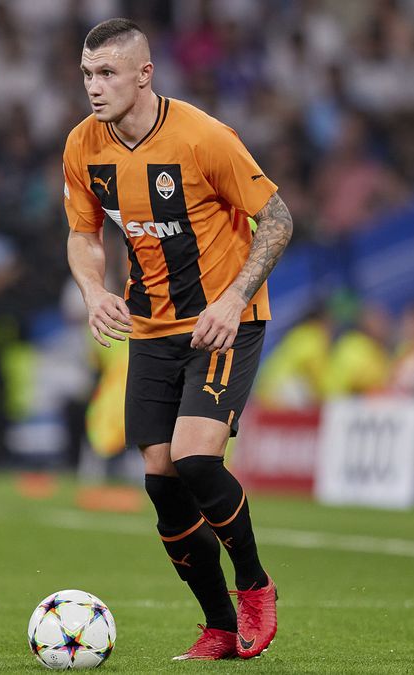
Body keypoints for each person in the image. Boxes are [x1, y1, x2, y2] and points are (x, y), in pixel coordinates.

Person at [62, 19, 292, 661]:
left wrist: (234, 297)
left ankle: (254, 585)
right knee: (161, 483)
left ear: (144, 74)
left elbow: (276, 218)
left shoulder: (204, 137)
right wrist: (94, 291)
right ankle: (218, 624)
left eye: (107, 73)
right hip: (152, 328)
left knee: (195, 461)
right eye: (87, 73)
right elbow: (83, 234)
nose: (94, 86)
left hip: (224, 321)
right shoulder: (83, 145)